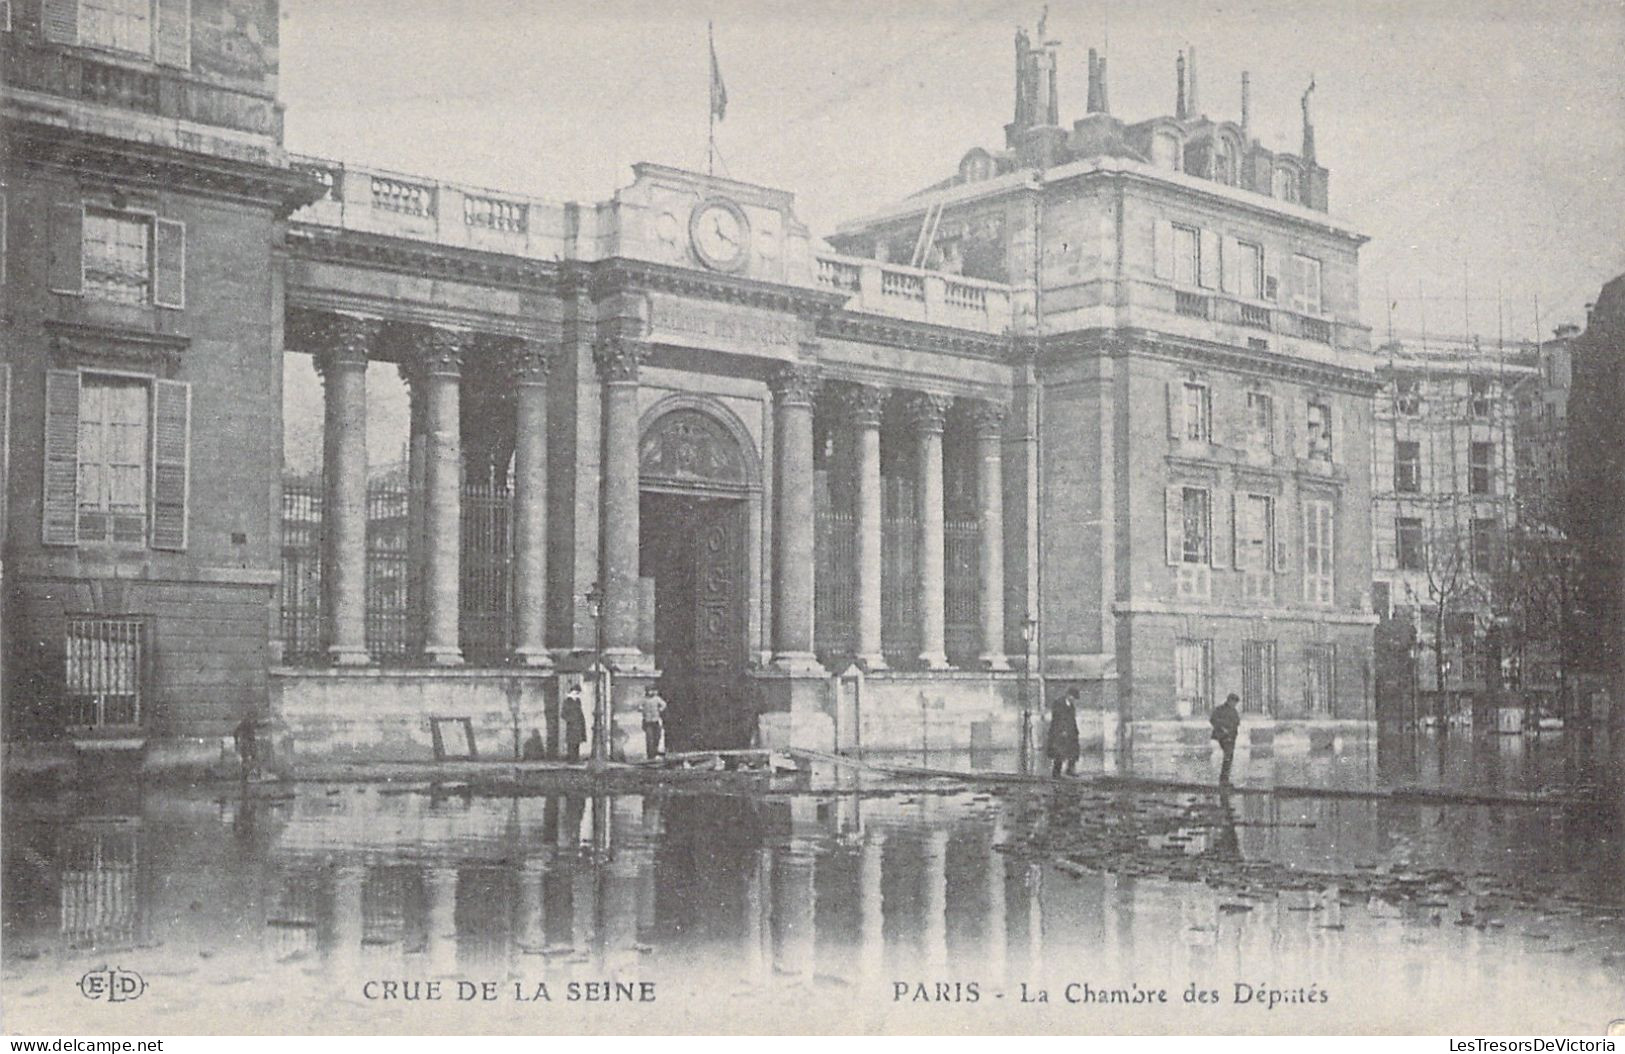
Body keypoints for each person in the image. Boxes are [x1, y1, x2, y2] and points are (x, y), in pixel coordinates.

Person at [1046, 688, 1081, 777]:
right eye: (1072, 697)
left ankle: (1070, 769)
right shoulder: (1059, 703)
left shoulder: (1071, 706)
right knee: (1059, 752)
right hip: (1058, 731)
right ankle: (1056, 773)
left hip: (1070, 732)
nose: (1073, 699)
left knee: (1073, 750)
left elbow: (1072, 720)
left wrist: (1075, 731)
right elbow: (1058, 719)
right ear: (1068, 695)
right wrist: (1062, 730)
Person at [1210, 692, 1242, 786]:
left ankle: (1225, 778)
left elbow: (1237, 721)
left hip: (1231, 736)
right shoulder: (1220, 709)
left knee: (1229, 756)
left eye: (1236, 703)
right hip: (1223, 736)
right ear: (1229, 701)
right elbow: (1213, 719)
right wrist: (1222, 728)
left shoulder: (1234, 710)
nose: (1234, 704)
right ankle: (1224, 779)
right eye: (1233, 702)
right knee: (1228, 755)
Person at [562, 684, 587, 763]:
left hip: (579, 725)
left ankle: (576, 758)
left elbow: (580, 712)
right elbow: (563, 714)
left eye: (578, 693)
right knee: (571, 743)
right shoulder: (567, 701)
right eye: (575, 693)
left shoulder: (578, 701)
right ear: (572, 692)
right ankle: (571, 759)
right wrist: (570, 720)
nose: (577, 695)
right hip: (572, 726)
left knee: (577, 743)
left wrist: (581, 722)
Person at [641, 685, 668, 759]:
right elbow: (640, 707)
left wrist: (660, 710)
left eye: (651, 690)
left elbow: (664, 704)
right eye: (649, 691)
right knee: (649, 738)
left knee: (657, 736)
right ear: (646, 691)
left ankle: (655, 751)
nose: (650, 692)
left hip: (655, 720)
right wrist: (642, 710)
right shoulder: (644, 700)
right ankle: (650, 754)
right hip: (647, 721)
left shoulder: (656, 699)